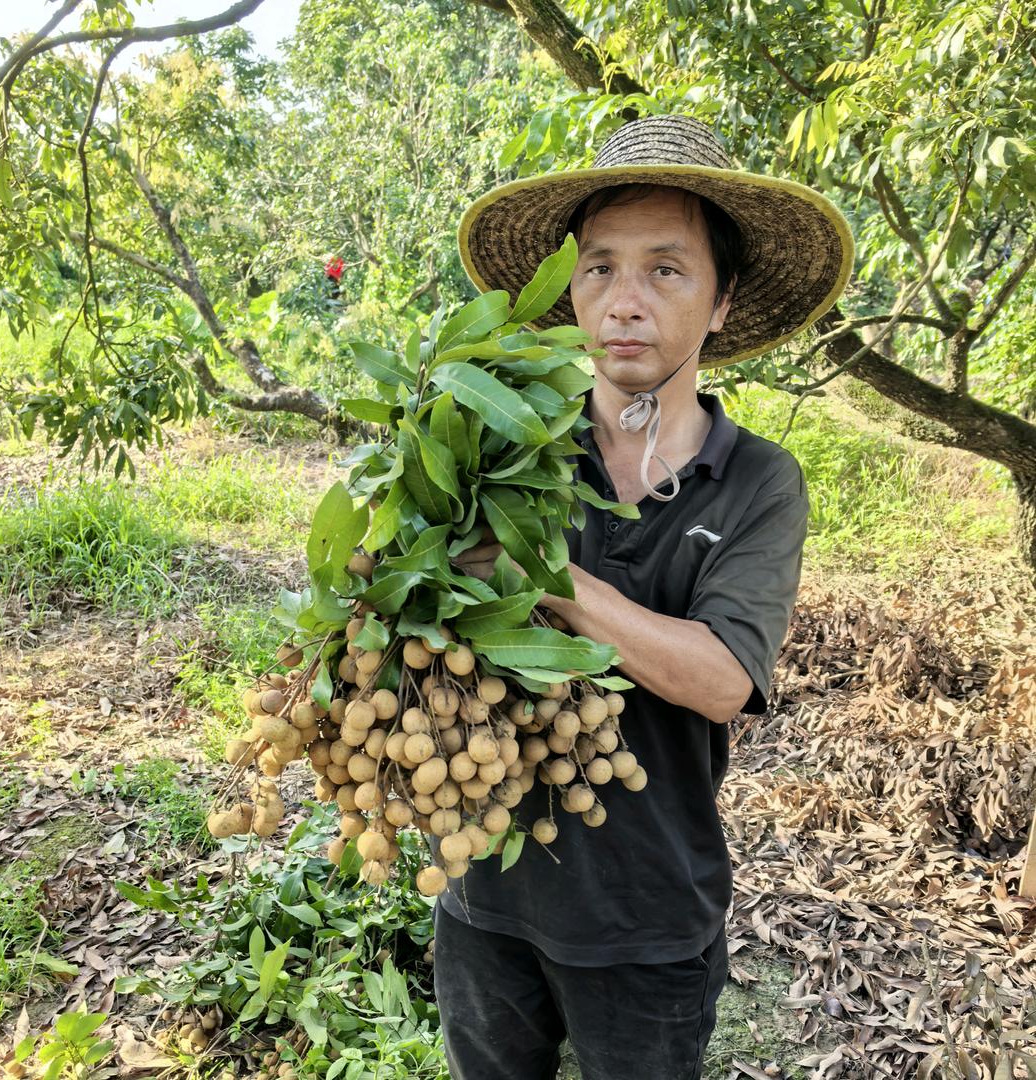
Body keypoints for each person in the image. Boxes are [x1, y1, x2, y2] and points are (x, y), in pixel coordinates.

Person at [439, 114, 853, 1080]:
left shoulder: (759, 482)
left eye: (666, 270)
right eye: (599, 268)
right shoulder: (502, 447)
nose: (625, 301)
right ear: (572, 292)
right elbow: (393, 601)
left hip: (650, 918)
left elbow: (718, 680)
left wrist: (540, 577)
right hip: (480, 895)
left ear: (719, 303)